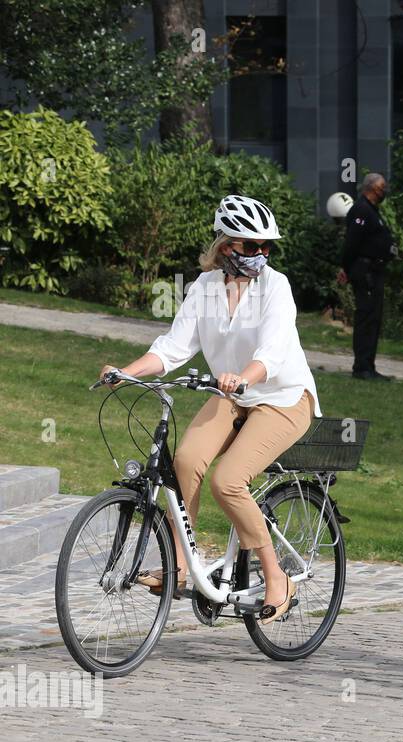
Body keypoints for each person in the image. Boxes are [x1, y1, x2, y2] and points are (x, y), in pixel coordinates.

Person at [100, 195, 321, 622]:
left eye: (266, 247)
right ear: (225, 247)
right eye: (251, 246)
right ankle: (182, 564)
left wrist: (243, 377)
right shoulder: (203, 288)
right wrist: (126, 372)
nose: (261, 254)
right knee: (184, 460)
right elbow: (173, 348)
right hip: (232, 397)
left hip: (283, 399)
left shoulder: (276, 287)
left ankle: (278, 576)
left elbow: (272, 353)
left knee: (229, 481)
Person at [339, 172, 398, 381]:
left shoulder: (372, 211)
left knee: (373, 319)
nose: (385, 190)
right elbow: (351, 243)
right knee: (366, 318)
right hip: (365, 272)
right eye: (382, 187)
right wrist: (345, 268)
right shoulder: (362, 210)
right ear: (371, 188)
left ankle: (368, 366)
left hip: (375, 271)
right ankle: (362, 367)